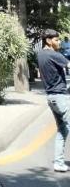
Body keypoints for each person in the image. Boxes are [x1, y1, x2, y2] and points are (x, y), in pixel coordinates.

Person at [36, 28, 70, 172]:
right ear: (48, 41)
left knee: (62, 129)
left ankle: (58, 162)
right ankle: (58, 161)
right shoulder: (53, 54)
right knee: (64, 128)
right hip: (60, 96)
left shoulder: (40, 54)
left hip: (51, 97)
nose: (59, 42)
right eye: (56, 40)